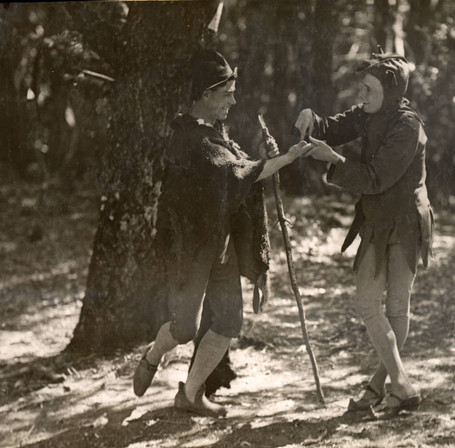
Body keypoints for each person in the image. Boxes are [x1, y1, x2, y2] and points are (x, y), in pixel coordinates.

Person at [133, 49, 312, 417]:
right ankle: (152, 356)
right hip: (191, 248)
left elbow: (239, 164)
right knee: (185, 328)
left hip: (222, 247)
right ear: (204, 95)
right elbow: (235, 174)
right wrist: (288, 158)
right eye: (226, 93)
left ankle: (191, 393)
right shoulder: (190, 139)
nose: (233, 99)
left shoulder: (215, 134)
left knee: (229, 323)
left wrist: (267, 156)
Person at [293, 50, 434, 414]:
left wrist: (335, 162)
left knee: (396, 307)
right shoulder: (371, 113)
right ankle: (400, 385)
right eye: (362, 89)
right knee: (368, 303)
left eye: (369, 90)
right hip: (376, 219)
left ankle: (378, 388)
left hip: (405, 222)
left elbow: (374, 178)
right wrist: (314, 120)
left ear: (391, 92)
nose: (362, 97)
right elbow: (335, 127)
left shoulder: (408, 127)